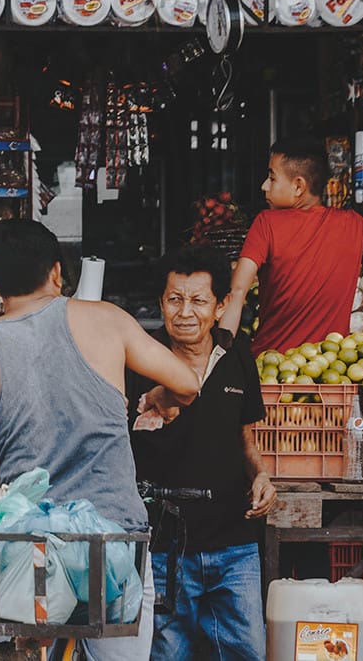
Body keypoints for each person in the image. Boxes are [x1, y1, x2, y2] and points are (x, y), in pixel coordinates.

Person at [0, 220, 202, 661]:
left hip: (26, 548)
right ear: (57, 273)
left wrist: (0, 492)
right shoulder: (105, 320)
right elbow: (188, 382)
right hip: (113, 545)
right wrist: (160, 397)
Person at [129, 247, 274, 661]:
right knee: (167, 654)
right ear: (161, 303)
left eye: (198, 301)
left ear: (221, 305)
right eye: (175, 299)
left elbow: (245, 436)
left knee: (246, 652)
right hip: (164, 547)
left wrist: (260, 475)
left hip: (234, 544)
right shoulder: (139, 359)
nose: (185, 312)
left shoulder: (237, 356)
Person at [222, 136, 363, 354]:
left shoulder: (266, 224)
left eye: (272, 178)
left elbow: (237, 291)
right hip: (332, 370)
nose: (264, 186)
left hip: (271, 368)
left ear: (298, 186)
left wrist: (218, 359)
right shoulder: (355, 224)